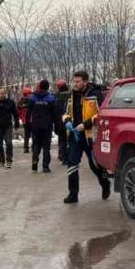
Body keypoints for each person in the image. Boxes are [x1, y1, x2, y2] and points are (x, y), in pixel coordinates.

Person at [61, 70, 112, 204]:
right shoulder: (71, 95)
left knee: (94, 164)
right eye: (74, 81)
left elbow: (102, 113)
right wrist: (67, 122)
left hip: (90, 135)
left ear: (85, 81)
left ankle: (104, 182)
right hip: (74, 135)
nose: (75, 84)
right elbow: (65, 112)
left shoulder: (95, 94)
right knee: (72, 163)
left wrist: (86, 124)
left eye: (78, 81)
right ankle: (73, 194)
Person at [28, 79, 58, 172]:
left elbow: (28, 112)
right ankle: (45, 166)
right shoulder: (51, 98)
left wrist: (29, 124)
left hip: (36, 125)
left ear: (40, 86)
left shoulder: (33, 98)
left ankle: (34, 161)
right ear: (48, 87)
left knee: (36, 144)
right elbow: (54, 113)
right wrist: (54, 122)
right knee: (46, 147)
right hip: (47, 125)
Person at [0, 86, 19, 168]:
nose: (1, 95)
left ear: (5, 94)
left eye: (2, 93)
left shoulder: (10, 102)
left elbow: (15, 114)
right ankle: (1, 161)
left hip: (7, 125)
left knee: (8, 142)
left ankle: (9, 160)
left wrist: (16, 123)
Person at [53, 79, 70, 157]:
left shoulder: (55, 96)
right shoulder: (70, 95)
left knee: (61, 137)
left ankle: (61, 153)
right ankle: (64, 154)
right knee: (67, 138)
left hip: (58, 120)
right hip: (67, 119)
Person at [17, 85, 34, 153]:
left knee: (27, 134)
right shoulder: (32, 101)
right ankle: (33, 147)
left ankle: (26, 148)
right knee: (33, 134)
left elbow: (18, 112)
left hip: (25, 121)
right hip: (32, 120)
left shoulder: (20, 102)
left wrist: (21, 119)